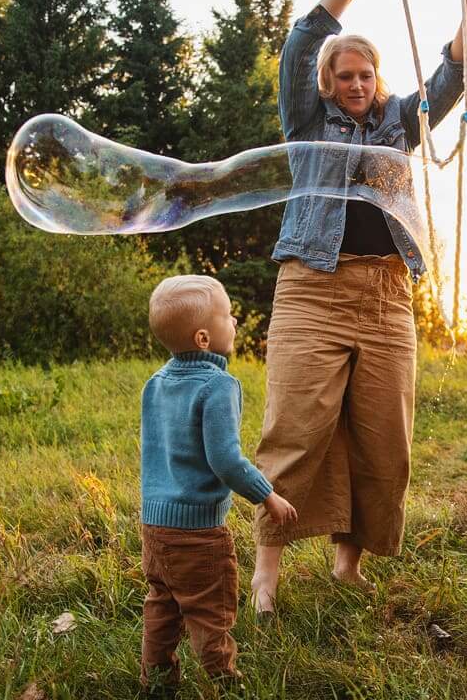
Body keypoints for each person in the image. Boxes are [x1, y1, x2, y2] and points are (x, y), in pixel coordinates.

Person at [250, 0, 467, 615]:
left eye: (365, 74)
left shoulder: (398, 123)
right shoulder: (306, 122)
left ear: (377, 80)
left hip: (388, 295)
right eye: (344, 75)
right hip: (311, 288)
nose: (356, 84)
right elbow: (302, 41)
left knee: (383, 437)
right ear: (328, 84)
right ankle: (266, 569)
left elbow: (453, 76)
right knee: (295, 430)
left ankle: (346, 564)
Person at [139, 275, 297, 690]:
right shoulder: (218, 385)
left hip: (154, 528)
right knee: (210, 612)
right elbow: (226, 460)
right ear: (204, 337)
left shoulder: (155, 383)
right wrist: (268, 496)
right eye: (228, 315)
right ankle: (225, 681)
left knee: (162, 605)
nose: (236, 322)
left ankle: (156, 679)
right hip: (198, 534)